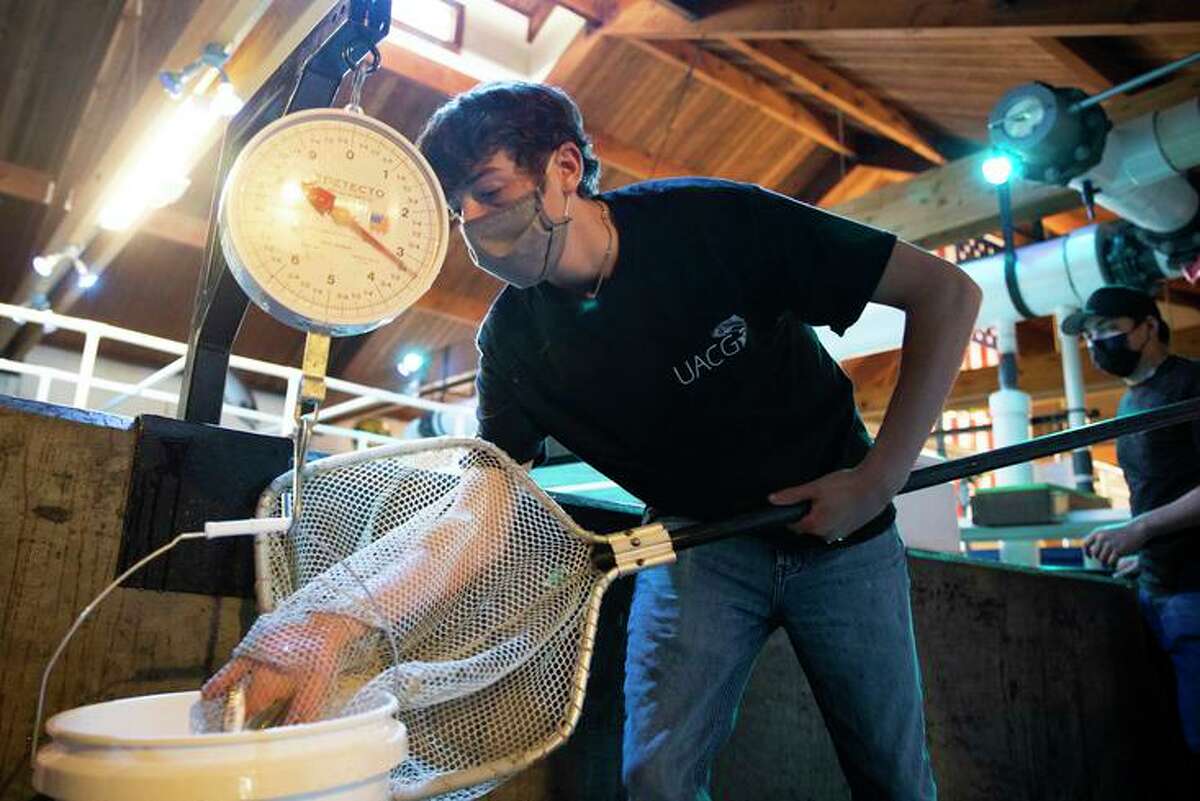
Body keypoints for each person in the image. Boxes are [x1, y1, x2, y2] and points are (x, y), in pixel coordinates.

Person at [206, 82, 981, 799]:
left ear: (564, 168)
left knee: (891, 771)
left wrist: (878, 478)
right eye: (454, 210)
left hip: (847, 537)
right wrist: (340, 616)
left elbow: (946, 292)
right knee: (655, 777)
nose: (472, 224)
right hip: (700, 545)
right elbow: (480, 512)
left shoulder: (714, 223)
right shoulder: (511, 345)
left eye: (489, 192)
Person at [1064, 286, 1200, 755]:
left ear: (1147, 327)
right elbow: (1161, 490)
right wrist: (1144, 554)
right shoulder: (1129, 404)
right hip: (1158, 587)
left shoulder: (1190, 386)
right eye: (1090, 336)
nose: (1097, 343)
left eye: (1107, 330)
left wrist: (1138, 531)